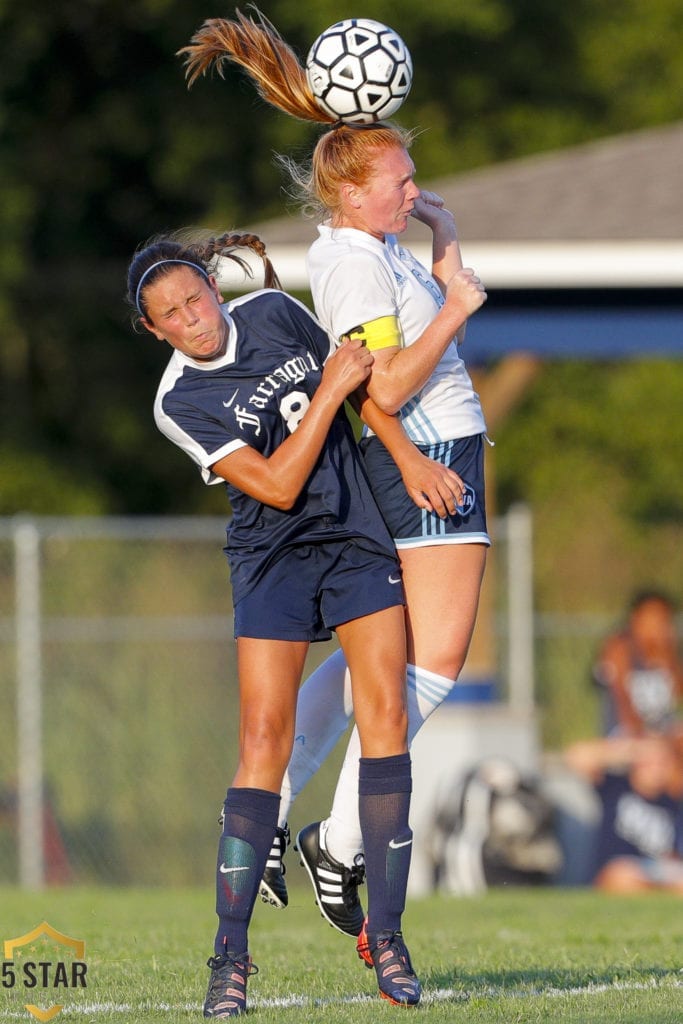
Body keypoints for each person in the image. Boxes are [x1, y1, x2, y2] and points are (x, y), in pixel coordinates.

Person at [179, 10, 490, 945]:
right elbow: (379, 384)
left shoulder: (372, 247)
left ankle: (287, 820)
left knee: (388, 673)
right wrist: (454, 316)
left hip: (438, 448)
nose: (412, 187)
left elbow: (406, 341)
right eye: (400, 181)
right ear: (351, 193)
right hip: (432, 458)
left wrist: (442, 239)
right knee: (423, 672)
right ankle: (335, 840)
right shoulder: (349, 263)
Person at [126, 230, 423, 1015]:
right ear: (154, 330)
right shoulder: (177, 401)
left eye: (196, 298)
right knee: (263, 739)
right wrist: (327, 391)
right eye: (171, 316)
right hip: (272, 559)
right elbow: (279, 485)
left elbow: (359, 387)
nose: (194, 318)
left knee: (385, 712)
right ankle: (230, 956)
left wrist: (406, 455)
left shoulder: (269, 310)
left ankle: (386, 937)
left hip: (354, 537)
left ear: (213, 290)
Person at [565, 734, 683, 892]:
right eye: (649, 763)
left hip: (661, 870)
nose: (656, 769)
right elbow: (577, 757)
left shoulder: (673, 798)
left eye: (662, 763)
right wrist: (632, 749)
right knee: (623, 877)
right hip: (620, 869)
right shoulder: (616, 787)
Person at [592, 590, 683, 737]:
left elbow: (678, 694)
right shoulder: (619, 648)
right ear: (636, 618)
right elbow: (623, 702)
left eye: (664, 619)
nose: (660, 625)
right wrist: (647, 735)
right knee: (655, 756)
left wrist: (667, 661)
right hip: (625, 733)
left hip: (664, 729)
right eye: (654, 617)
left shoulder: (667, 651)